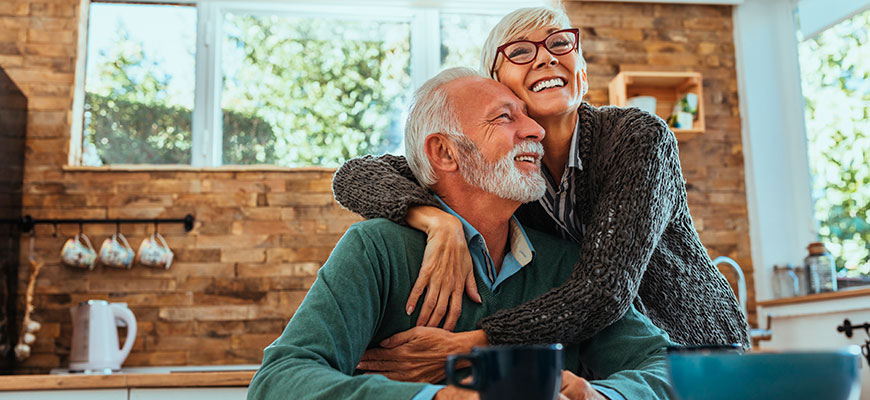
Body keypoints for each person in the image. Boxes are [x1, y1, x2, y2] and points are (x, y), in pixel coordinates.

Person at [332, 6, 750, 356]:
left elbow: (603, 290)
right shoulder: (502, 170)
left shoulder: (638, 138)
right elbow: (357, 175)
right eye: (519, 51)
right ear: (497, 86)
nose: (546, 57)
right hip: (605, 358)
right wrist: (435, 220)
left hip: (696, 349)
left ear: (581, 72)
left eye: (559, 43)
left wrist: (475, 343)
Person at [248, 68, 675, 400]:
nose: (536, 130)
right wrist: (438, 397)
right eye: (505, 118)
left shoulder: (565, 263)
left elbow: (661, 365)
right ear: (445, 152)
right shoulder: (376, 250)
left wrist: (603, 393)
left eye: (527, 117)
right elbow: (279, 380)